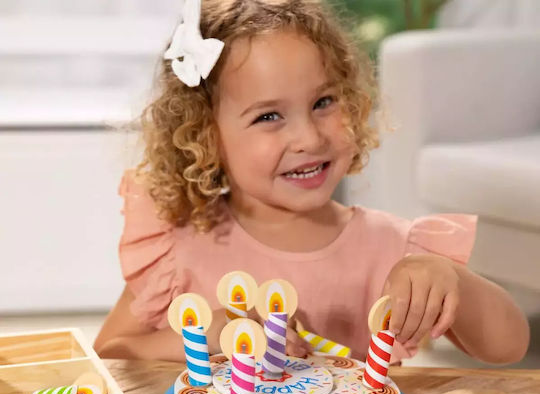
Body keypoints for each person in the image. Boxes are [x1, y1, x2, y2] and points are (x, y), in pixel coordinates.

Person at [94, 0, 529, 365]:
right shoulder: (180, 244)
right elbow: (110, 355)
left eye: (324, 102)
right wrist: (202, 338)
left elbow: (509, 347)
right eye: (269, 116)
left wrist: (449, 277)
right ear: (206, 137)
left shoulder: (391, 249)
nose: (309, 138)